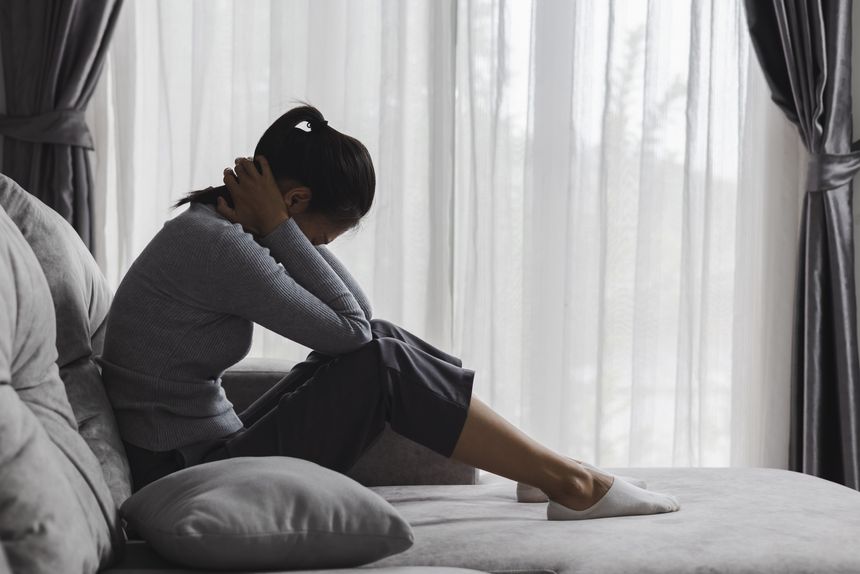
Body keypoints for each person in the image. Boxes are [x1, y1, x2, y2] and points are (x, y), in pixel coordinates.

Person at [98, 104, 680, 521]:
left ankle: (543, 469)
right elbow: (350, 331)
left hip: (205, 451)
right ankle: (571, 483)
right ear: (294, 200)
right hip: (187, 474)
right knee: (377, 361)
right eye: (319, 238)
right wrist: (280, 227)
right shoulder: (218, 245)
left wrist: (282, 228)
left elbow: (362, 320)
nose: (312, 251)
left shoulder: (215, 231)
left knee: (382, 338)